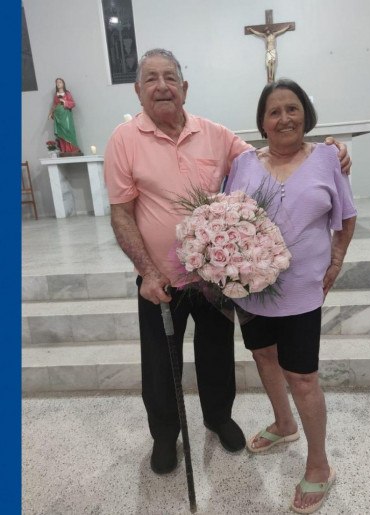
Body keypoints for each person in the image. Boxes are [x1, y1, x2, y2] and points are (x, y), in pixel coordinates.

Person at [103, 49, 351, 476]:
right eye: (151, 79)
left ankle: (218, 418)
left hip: (215, 279)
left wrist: (332, 149)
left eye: (170, 77)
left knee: (216, 352)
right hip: (157, 279)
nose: (162, 85)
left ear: (185, 87)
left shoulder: (216, 135)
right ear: (138, 90)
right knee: (161, 362)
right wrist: (147, 271)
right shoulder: (123, 140)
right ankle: (165, 437)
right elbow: (122, 213)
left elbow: (272, 151)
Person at [224, 78, 357, 514]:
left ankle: (320, 465)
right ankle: (284, 424)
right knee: (264, 357)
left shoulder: (327, 159)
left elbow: (347, 218)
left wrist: (335, 262)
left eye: (292, 108)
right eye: (274, 111)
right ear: (262, 122)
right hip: (252, 292)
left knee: (302, 377)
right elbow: (226, 220)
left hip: (302, 292)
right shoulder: (243, 163)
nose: (284, 117)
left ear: (306, 115)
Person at [48, 78, 80, 153]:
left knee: (68, 130)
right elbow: (54, 105)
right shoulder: (56, 95)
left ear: (63, 84)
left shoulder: (67, 93)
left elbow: (73, 103)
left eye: (60, 82)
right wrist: (51, 113)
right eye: (57, 83)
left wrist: (64, 101)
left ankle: (72, 149)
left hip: (65, 114)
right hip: (58, 115)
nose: (58, 84)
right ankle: (64, 150)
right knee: (61, 132)